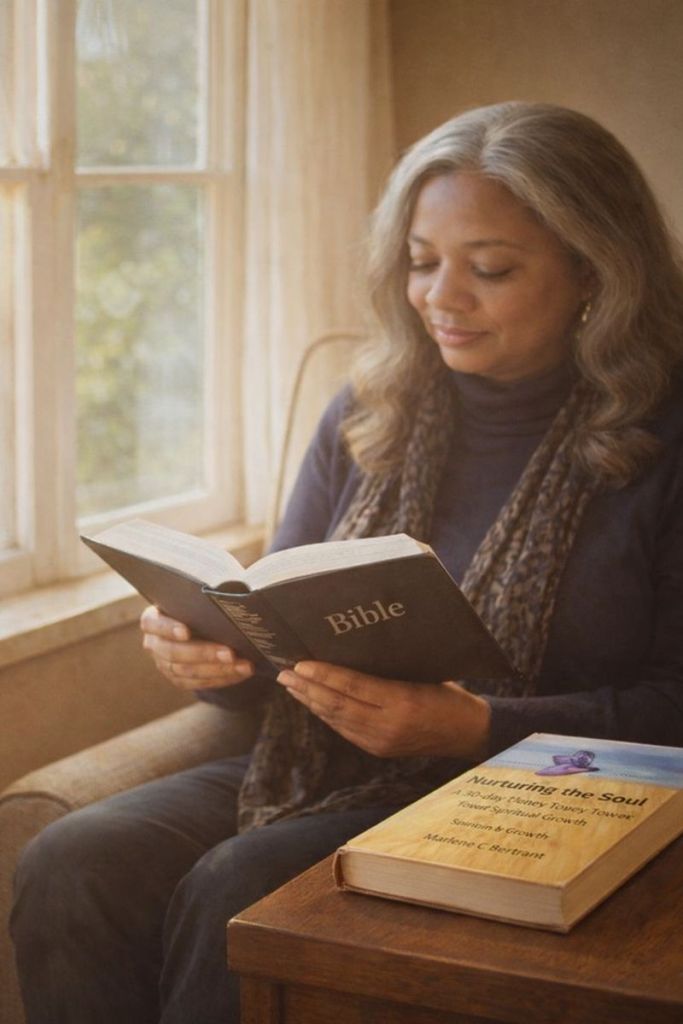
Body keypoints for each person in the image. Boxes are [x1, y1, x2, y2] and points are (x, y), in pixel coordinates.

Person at [11, 101, 683, 1023]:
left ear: (592, 270)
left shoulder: (661, 438)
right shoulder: (374, 408)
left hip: (549, 800)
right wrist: (213, 657)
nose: (440, 296)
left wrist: (469, 727)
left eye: (488, 268)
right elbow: (281, 623)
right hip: (324, 763)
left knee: (238, 883)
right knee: (74, 857)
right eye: (420, 262)